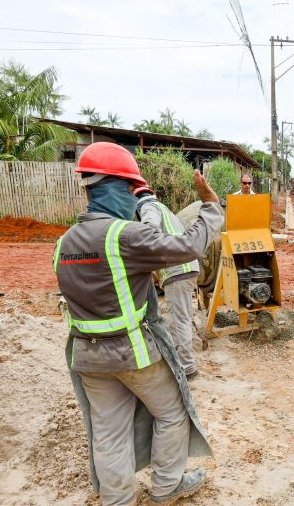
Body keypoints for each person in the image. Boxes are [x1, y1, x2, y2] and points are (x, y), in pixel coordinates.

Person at [54, 142, 222, 505]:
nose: (133, 197)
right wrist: (211, 207)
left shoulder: (64, 243)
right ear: (116, 187)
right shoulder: (124, 236)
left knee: (108, 433)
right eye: (131, 189)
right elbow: (188, 246)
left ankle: (118, 500)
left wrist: (145, 210)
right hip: (133, 353)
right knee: (173, 412)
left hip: (88, 358)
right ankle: (167, 486)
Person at [135, 185, 201, 380]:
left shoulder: (147, 207)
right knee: (182, 318)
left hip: (178, 270)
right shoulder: (164, 208)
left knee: (177, 321)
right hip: (186, 267)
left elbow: (149, 230)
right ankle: (184, 363)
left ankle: (187, 368)